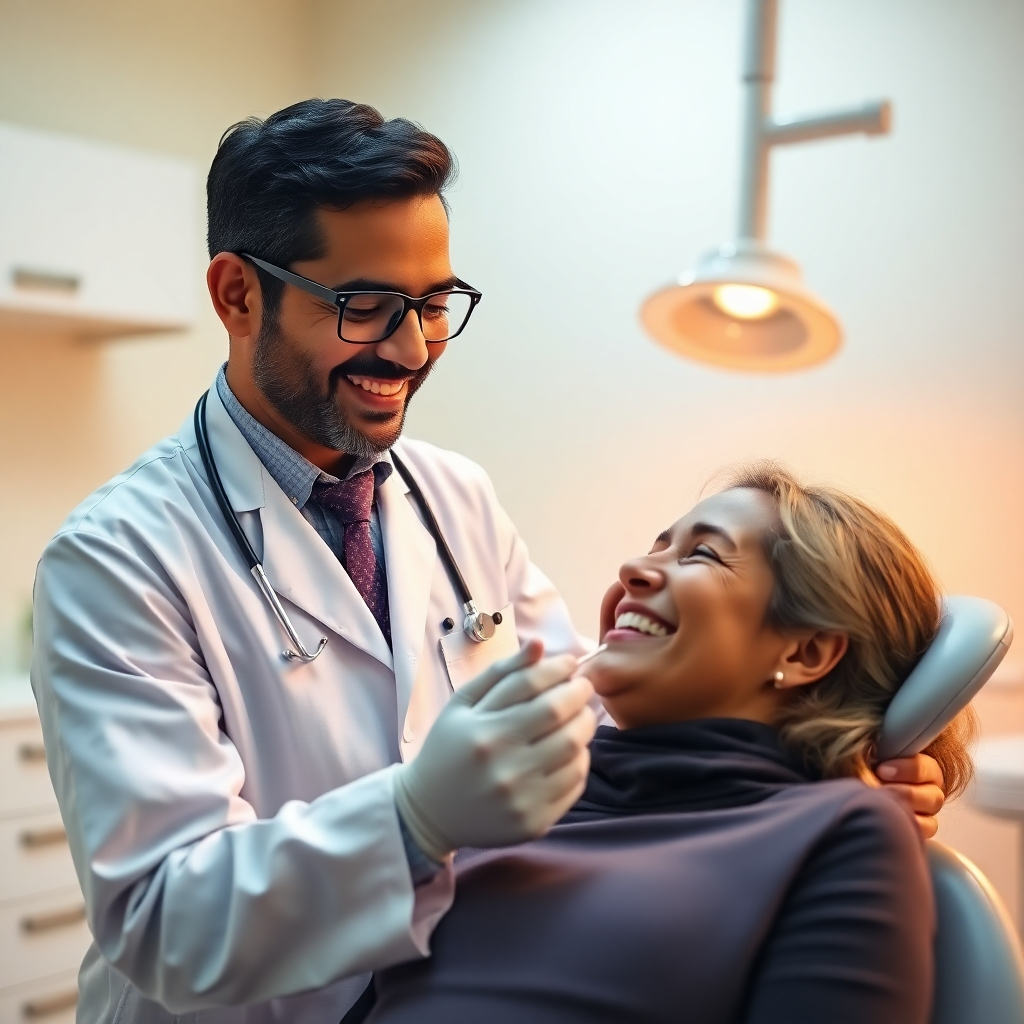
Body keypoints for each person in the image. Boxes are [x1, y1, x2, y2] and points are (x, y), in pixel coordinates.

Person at [30, 100, 946, 1024]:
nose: (411, 347)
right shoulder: (118, 559)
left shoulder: (452, 496)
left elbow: (587, 713)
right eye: (366, 307)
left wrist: (840, 763)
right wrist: (411, 821)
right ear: (238, 295)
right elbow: (160, 924)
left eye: (433, 304)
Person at [364, 464, 975, 1024]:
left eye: (702, 554)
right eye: (658, 546)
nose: (633, 569)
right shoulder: (495, 804)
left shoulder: (836, 832)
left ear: (805, 652)